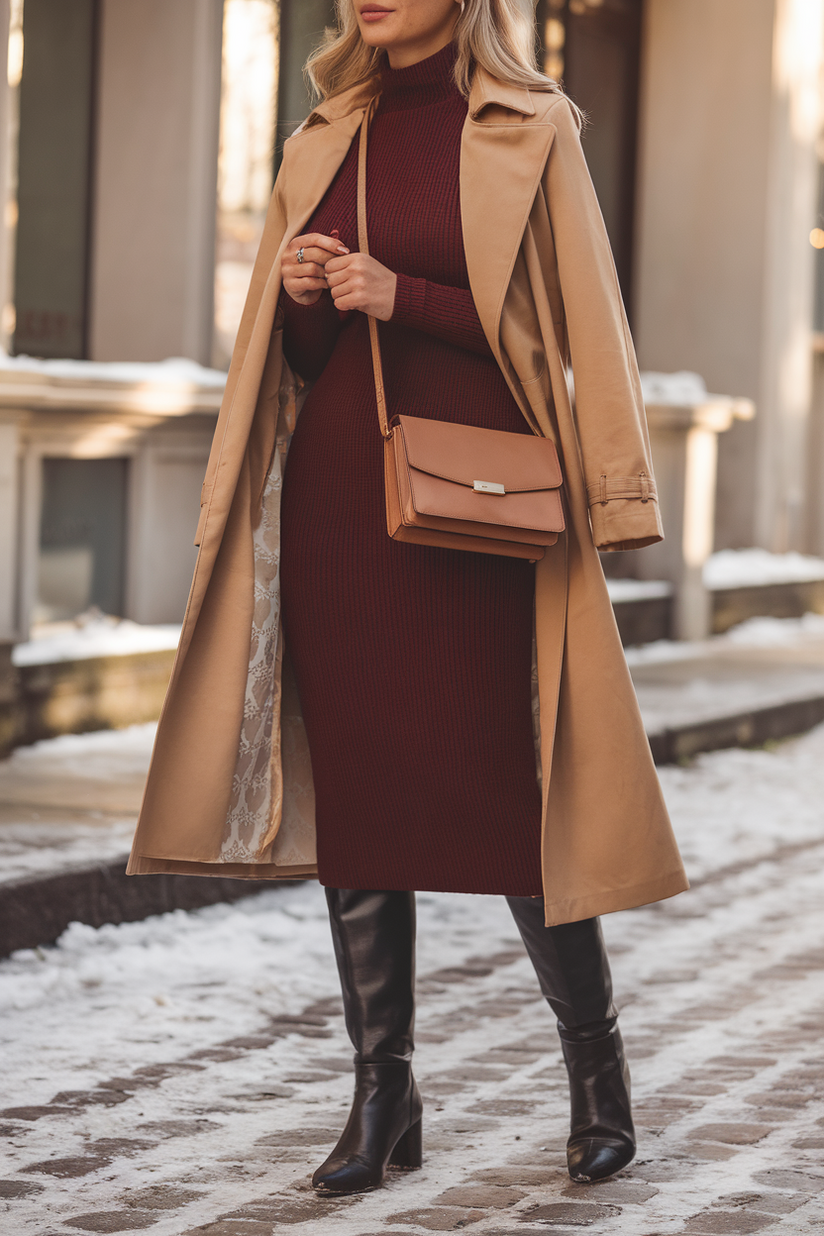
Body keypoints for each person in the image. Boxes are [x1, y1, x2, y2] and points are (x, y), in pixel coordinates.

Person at [127, 0, 688, 1198]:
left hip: (484, 508)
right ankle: (382, 1091)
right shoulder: (321, 135)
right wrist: (303, 298)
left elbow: (580, 329)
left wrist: (406, 294)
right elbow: (304, 364)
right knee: (364, 798)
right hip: (343, 503)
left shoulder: (533, 128)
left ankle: (595, 1075)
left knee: (507, 785)